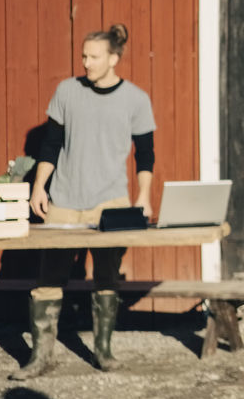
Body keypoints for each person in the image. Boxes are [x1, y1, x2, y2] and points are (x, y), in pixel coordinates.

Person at [16, 23, 156, 380]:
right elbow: (51, 145)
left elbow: (145, 155)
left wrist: (143, 197)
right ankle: (40, 356)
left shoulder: (136, 100)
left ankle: (104, 352)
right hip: (64, 198)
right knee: (49, 276)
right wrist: (39, 187)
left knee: (107, 275)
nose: (86, 62)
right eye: (83, 55)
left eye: (93, 57)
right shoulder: (67, 91)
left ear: (113, 58)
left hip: (110, 202)